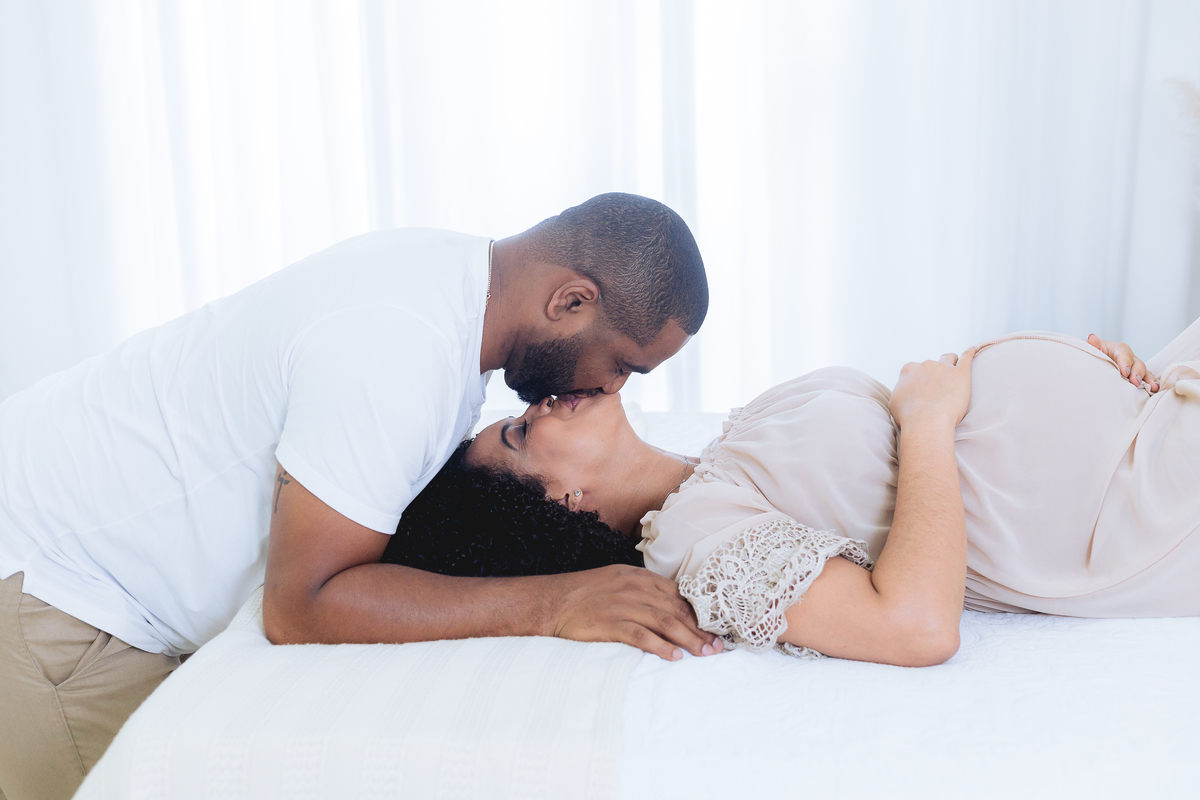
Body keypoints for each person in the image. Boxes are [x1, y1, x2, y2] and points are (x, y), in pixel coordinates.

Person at [0, 192, 720, 800]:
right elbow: (301, 606)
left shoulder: (448, 281)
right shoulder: (399, 351)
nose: (610, 388)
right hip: (59, 593)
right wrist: (560, 603)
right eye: (624, 365)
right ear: (570, 300)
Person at [387, 319, 1200, 668]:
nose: (537, 405)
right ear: (558, 504)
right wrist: (926, 419)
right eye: (519, 434)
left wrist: (1113, 371)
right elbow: (915, 628)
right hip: (1152, 507)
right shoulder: (696, 542)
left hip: (1155, 406)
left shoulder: (714, 458)